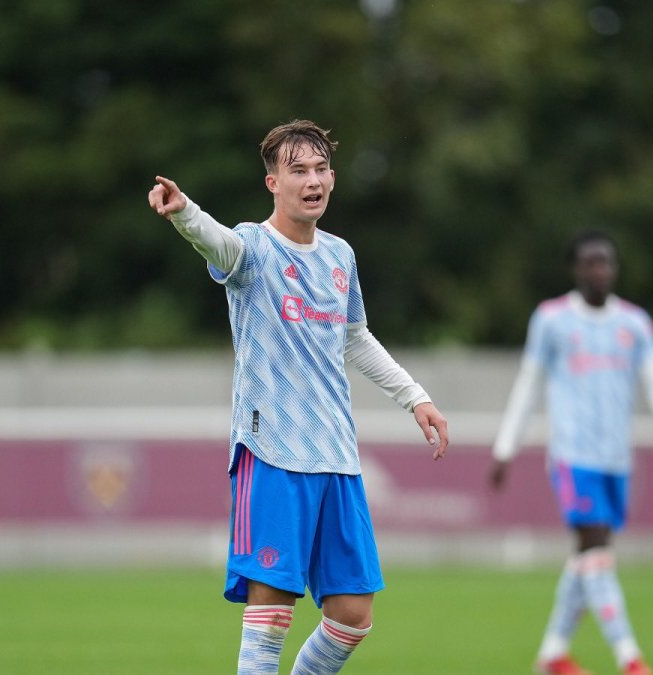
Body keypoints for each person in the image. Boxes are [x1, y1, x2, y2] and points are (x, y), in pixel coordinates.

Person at [148, 119, 450, 675]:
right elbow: (216, 241)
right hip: (272, 453)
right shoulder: (254, 250)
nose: (311, 181)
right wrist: (184, 211)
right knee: (272, 610)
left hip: (336, 454)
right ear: (273, 184)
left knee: (353, 614)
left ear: (332, 179)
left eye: (318, 170)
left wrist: (415, 397)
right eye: (297, 171)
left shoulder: (340, 256)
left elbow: (355, 336)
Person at [489, 230, 653, 675]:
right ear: (575, 269)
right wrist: (506, 447)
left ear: (615, 268)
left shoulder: (635, 324)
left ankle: (552, 654)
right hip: (572, 456)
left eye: (606, 262)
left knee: (588, 558)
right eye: (590, 262)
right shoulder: (552, 319)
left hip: (616, 458)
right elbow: (529, 384)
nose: (599, 270)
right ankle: (630, 659)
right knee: (595, 548)